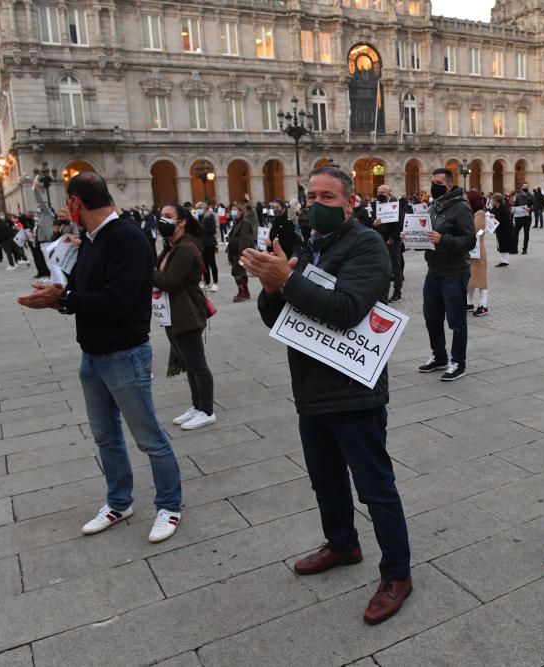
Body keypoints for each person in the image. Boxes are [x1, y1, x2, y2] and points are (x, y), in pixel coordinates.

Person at [244, 165, 412, 626]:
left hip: (353, 390)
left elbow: (347, 309)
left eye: (327, 198)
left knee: (375, 487)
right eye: (311, 196)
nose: (316, 205)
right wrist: (272, 287)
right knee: (325, 478)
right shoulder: (309, 245)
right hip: (311, 387)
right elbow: (277, 318)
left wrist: (289, 281)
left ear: (350, 203)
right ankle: (342, 543)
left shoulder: (367, 245)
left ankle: (397, 573)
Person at [16, 172, 183, 544]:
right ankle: (119, 501)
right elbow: (81, 290)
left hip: (125, 354)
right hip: (91, 355)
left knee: (148, 437)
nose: (65, 209)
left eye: (67, 202)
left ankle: (169, 506)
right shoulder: (91, 240)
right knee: (105, 436)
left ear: (77, 202)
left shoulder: (128, 238)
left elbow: (118, 301)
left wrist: (62, 299)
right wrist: (59, 292)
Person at [154, 205, 216, 430]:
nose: (163, 220)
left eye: (168, 217)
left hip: (186, 312)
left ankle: (207, 410)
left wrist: (146, 266)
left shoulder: (185, 248)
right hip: (173, 312)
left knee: (197, 363)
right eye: (161, 216)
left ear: (181, 222)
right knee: (188, 363)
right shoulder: (172, 246)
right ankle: (197, 406)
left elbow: (170, 281)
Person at [419, 167, 476, 381]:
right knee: (431, 317)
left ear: (450, 184)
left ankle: (458, 361)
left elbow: (470, 240)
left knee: (456, 320)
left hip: (454, 271)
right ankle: (439, 355)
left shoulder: (461, 208)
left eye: (438, 182)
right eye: (432, 181)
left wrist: (443, 240)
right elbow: (428, 235)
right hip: (433, 270)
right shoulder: (434, 207)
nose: (433, 185)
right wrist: (413, 236)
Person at [373, 184, 407, 302]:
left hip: (393, 241)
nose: (380, 194)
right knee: (382, 267)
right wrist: (374, 223)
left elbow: (400, 223)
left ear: (389, 194)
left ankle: (397, 292)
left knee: (395, 267)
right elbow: (370, 222)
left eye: (382, 192)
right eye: (378, 192)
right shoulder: (375, 206)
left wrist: (392, 238)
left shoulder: (396, 206)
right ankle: (381, 293)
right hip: (380, 241)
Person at [227, 199, 256, 302]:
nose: (232, 211)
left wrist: (242, 254)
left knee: (239, 272)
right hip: (234, 252)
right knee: (237, 272)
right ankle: (243, 292)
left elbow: (244, 239)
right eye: (232, 210)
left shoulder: (244, 223)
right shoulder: (236, 222)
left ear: (240, 211)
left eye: (235, 210)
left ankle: (243, 292)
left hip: (239, 253)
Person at [466, 191, 489, 317]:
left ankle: (483, 305)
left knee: (480, 278)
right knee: (471, 278)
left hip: (478, 250)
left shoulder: (480, 213)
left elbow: (477, 229)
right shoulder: (471, 213)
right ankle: (469, 303)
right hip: (471, 249)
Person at [193, 201, 219, 292]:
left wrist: (201, 227)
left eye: (200, 208)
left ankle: (215, 282)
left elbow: (213, 230)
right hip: (202, 244)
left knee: (212, 263)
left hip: (209, 243)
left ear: (204, 208)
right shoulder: (199, 218)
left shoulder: (209, 217)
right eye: (197, 208)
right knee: (205, 265)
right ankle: (207, 282)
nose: (198, 210)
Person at [490, 193, 515, 267]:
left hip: (505, 229)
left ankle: (505, 261)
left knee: (504, 244)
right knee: (501, 244)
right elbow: (492, 214)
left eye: (492, 199)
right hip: (499, 229)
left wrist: (495, 216)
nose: (491, 201)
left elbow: (505, 219)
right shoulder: (495, 207)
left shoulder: (503, 208)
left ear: (497, 200)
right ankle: (503, 260)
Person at [513, 183, 533, 254]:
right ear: (522, 187)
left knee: (526, 233)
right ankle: (515, 249)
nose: (525, 187)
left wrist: (530, 209)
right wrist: (513, 209)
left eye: (527, 186)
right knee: (515, 232)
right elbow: (515, 205)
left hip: (527, 218)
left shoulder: (531, 196)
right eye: (524, 186)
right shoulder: (518, 196)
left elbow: (534, 206)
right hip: (518, 217)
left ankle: (525, 249)